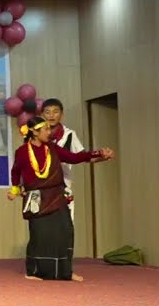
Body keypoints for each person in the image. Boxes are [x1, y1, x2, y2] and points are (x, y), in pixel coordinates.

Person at [7, 116, 114, 281]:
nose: (49, 132)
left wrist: (98, 153)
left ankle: (66, 272)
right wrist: (15, 189)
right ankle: (34, 272)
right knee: (39, 236)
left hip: (56, 196)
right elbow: (15, 171)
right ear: (35, 132)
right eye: (46, 129)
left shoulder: (52, 148)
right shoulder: (21, 152)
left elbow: (74, 158)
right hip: (36, 199)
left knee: (65, 231)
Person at [39, 98, 86, 221]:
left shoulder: (69, 135)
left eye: (55, 112)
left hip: (63, 188)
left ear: (62, 114)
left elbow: (82, 156)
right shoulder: (35, 135)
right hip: (40, 189)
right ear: (42, 114)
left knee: (66, 226)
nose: (51, 115)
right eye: (47, 112)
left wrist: (100, 155)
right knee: (42, 228)